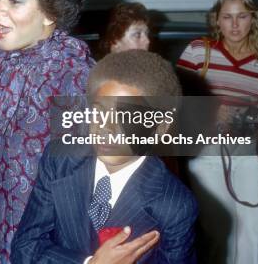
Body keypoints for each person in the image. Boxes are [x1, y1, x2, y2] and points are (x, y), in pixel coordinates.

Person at [11, 50, 198, 264]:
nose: (106, 128)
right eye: (99, 112)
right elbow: (24, 247)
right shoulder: (61, 161)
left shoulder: (174, 205)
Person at [0, 0, 95, 263]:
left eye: (14, 1)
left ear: (50, 12)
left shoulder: (75, 80)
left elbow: (90, 193)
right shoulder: (0, 60)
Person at [177, 0, 258, 264]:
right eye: (228, 17)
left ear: (253, 19)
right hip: (207, 151)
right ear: (217, 20)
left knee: (256, 228)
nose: (235, 25)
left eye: (242, 16)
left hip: (252, 151)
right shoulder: (199, 51)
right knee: (219, 229)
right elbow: (176, 94)